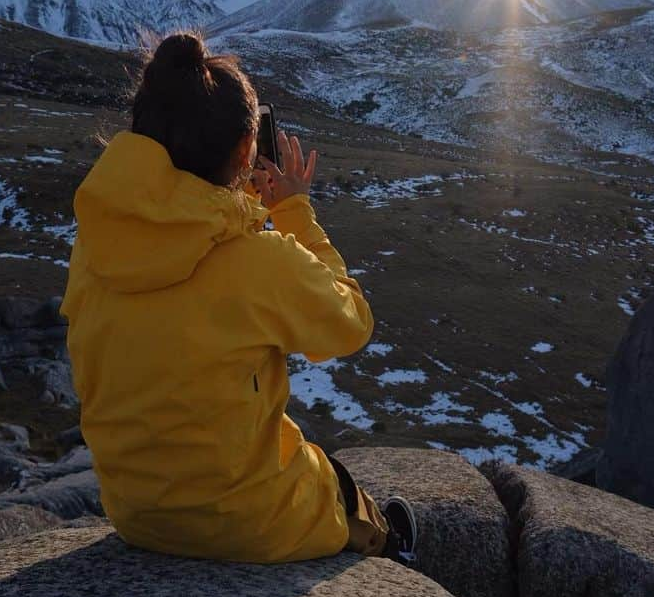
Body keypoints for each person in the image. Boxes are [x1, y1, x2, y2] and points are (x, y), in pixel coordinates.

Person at [59, 30, 418, 565]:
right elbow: (351, 323)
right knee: (333, 485)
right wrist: (294, 211)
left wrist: (219, 203)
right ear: (248, 152)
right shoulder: (260, 260)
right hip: (246, 522)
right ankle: (395, 552)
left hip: (134, 512)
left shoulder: (96, 243)